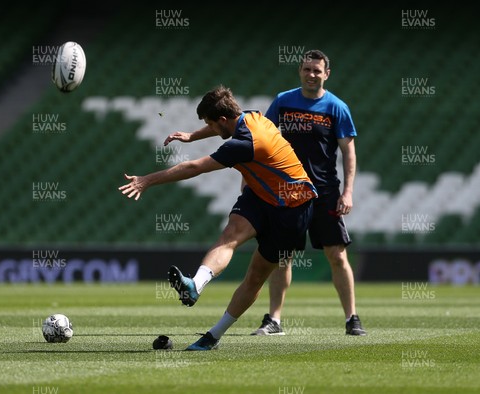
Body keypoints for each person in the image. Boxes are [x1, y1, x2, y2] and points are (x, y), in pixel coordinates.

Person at [164, 50, 366, 336]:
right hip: (284, 193)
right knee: (282, 257)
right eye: (307, 69)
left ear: (326, 74)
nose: (311, 74)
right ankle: (275, 319)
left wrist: (347, 192)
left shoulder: (336, 108)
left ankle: (351, 318)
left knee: (336, 254)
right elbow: (242, 125)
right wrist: (192, 136)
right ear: (300, 71)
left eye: (317, 70)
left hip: (323, 189)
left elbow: (349, 151)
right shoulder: (284, 101)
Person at [120, 86, 317, 350]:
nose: (209, 127)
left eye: (209, 123)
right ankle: (195, 285)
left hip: (293, 208)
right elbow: (219, 127)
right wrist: (192, 135)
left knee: (256, 275)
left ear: (222, 119)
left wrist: (147, 180)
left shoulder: (243, 144)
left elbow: (193, 168)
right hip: (261, 195)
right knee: (230, 236)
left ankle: (213, 335)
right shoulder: (251, 116)